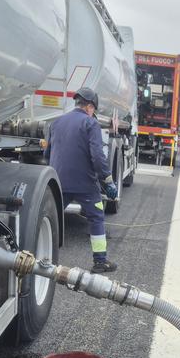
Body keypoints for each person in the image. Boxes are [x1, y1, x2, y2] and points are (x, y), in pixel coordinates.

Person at [46, 87, 118, 273]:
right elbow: (97, 155)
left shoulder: (56, 122)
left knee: (50, 216)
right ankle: (100, 262)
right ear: (90, 106)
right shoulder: (90, 123)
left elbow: (47, 153)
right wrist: (108, 181)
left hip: (59, 180)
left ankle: (42, 258)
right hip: (85, 183)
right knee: (96, 217)